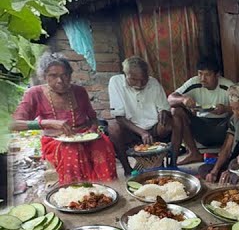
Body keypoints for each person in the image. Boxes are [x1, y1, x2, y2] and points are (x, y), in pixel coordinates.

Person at [9, 53, 118, 185]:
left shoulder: (79, 91)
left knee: (103, 143)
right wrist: (47, 123)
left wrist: (93, 129)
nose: (60, 80)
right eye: (53, 75)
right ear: (44, 76)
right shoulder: (34, 93)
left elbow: (93, 119)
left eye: (64, 75)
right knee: (72, 150)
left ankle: (107, 189)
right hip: (55, 141)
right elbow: (13, 124)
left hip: (84, 135)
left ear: (70, 75)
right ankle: (78, 195)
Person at [106, 56, 173, 174]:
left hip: (154, 128)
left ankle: (172, 163)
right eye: (134, 79)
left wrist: (164, 112)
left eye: (144, 79)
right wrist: (142, 132)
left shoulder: (153, 83)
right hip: (130, 129)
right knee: (113, 128)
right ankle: (128, 169)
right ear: (125, 74)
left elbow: (164, 108)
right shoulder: (115, 82)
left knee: (175, 119)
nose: (140, 83)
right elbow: (119, 117)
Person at [169, 57, 234, 165]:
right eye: (200, 73)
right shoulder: (194, 82)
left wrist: (226, 109)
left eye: (207, 75)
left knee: (236, 115)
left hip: (223, 128)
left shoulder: (228, 86)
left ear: (217, 75)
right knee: (176, 110)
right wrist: (183, 99)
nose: (202, 78)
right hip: (201, 127)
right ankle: (193, 153)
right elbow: (170, 98)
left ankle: (226, 152)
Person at [203, 83, 239, 183]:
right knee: (205, 170)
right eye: (233, 108)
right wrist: (215, 171)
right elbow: (227, 148)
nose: (235, 113)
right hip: (236, 161)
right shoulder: (234, 120)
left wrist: (232, 170)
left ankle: (236, 178)